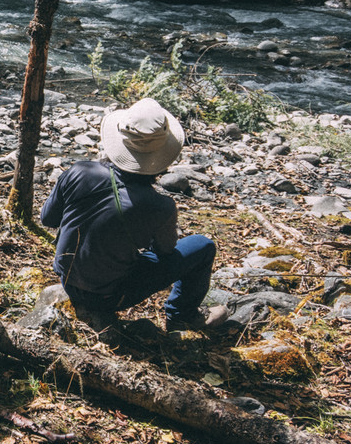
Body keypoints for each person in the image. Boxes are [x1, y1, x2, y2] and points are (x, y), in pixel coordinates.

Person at [40, 98, 218, 341]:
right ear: (160, 158)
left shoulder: (79, 171)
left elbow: (48, 219)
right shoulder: (161, 206)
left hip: (67, 278)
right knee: (203, 246)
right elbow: (166, 252)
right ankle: (181, 314)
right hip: (109, 297)